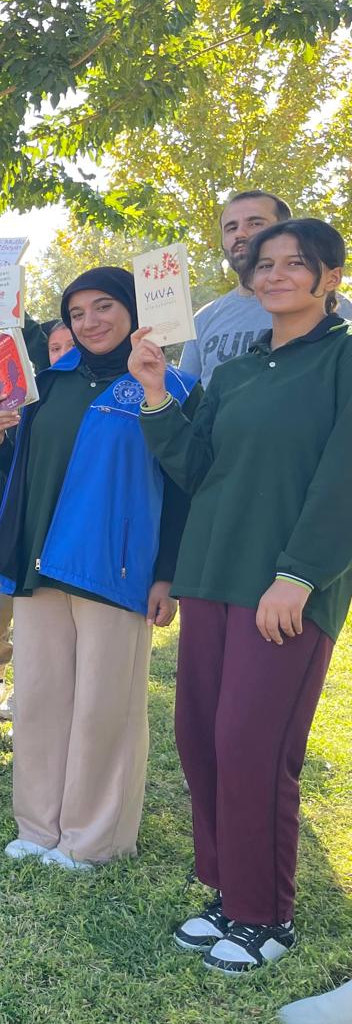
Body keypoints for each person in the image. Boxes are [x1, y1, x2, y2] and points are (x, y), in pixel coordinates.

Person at [133, 217, 351, 973]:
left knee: (254, 745)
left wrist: (299, 573)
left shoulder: (344, 361)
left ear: (330, 279)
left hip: (285, 586)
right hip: (213, 578)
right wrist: (157, 392)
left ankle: (267, 918)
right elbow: (195, 468)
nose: (276, 275)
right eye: (264, 265)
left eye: (297, 264)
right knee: (201, 738)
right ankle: (229, 894)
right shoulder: (235, 374)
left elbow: (342, 477)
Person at [0, 267, 200, 869]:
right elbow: (25, 470)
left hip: (116, 568)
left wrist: (166, 573)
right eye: (77, 314)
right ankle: (37, 827)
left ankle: (92, 839)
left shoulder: (171, 386)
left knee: (106, 708)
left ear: (133, 310)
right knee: (40, 700)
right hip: (38, 562)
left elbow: (185, 488)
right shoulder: (46, 385)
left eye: (104, 307)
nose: (90, 322)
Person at [0, 313, 62, 719]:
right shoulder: (26, 397)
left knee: (42, 617)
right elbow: (7, 462)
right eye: (55, 348)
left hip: (56, 534)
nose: (63, 355)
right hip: (13, 527)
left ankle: (30, 688)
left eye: (70, 347)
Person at [177, 190, 352, 386]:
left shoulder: (335, 306)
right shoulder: (204, 318)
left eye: (255, 223)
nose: (240, 234)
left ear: (285, 230)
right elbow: (188, 397)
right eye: (231, 228)